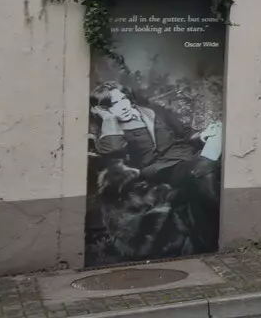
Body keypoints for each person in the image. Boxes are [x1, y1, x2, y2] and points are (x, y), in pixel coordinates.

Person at [89, 83, 223, 261]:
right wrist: (108, 118)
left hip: (188, 155)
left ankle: (207, 159)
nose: (124, 106)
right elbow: (113, 151)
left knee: (216, 144)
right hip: (161, 168)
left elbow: (183, 134)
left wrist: (202, 135)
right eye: (114, 104)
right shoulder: (108, 128)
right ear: (104, 110)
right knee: (204, 172)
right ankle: (214, 236)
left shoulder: (151, 111)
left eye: (124, 99)